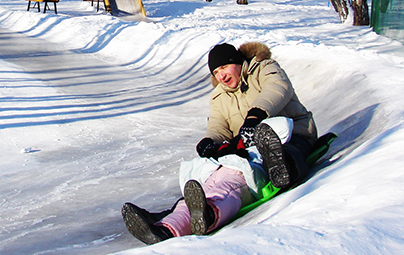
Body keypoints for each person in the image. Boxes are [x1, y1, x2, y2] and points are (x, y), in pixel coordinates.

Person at [122, 41, 318, 244]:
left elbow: (278, 89)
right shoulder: (219, 95)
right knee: (217, 179)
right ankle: (168, 224)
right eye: (216, 72)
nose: (221, 75)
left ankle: (282, 168)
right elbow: (218, 127)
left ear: (238, 63)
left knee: (286, 152)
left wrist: (255, 117)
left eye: (224, 67)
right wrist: (208, 142)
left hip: (295, 134)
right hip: (252, 151)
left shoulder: (264, 69)